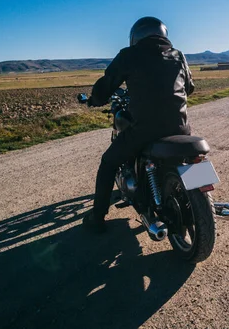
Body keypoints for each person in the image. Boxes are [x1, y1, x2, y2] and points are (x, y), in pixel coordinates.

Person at [82, 16, 195, 233]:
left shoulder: (129, 55)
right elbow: (189, 87)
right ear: (163, 34)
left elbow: (107, 84)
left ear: (135, 37)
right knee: (190, 163)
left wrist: (95, 99)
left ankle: (97, 218)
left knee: (108, 163)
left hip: (144, 129)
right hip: (181, 128)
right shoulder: (178, 55)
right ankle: (201, 197)